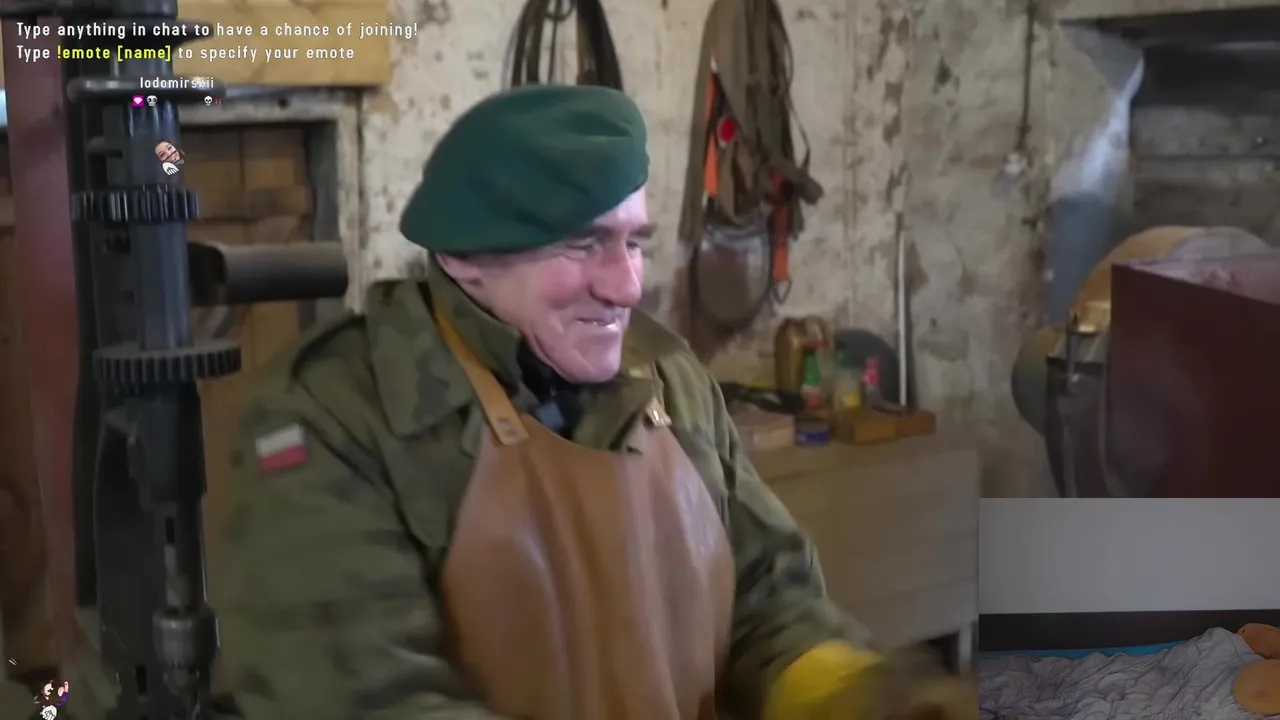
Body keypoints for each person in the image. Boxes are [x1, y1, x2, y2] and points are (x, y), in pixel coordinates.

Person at [213, 85, 936, 720]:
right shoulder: (336, 416)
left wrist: (848, 695)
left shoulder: (669, 380)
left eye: (633, 243)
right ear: (464, 255)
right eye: (582, 244)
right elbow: (368, 702)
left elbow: (764, 601)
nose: (626, 286)